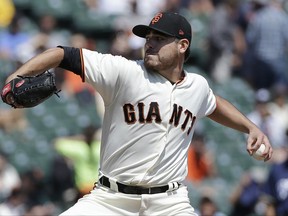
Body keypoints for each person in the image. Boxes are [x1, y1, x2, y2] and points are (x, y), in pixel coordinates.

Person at [1, 11, 273, 216]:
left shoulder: (196, 86)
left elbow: (214, 104)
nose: (150, 44)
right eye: (148, 38)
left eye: (159, 39)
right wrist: (17, 76)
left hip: (169, 203)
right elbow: (63, 54)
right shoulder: (124, 71)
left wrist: (251, 127)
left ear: (182, 46)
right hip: (111, 199)